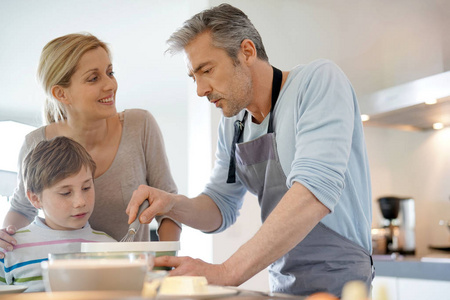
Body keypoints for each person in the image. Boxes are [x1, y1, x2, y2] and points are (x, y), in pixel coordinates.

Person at [126, 3, 373, 297]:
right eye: (194, 77)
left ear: (247, 51)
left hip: (341, 279)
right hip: (282, 280)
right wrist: (171, 204)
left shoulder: (318, 82)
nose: (200, 90)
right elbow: (220, 206)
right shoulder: (233, 126)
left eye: (207, 70)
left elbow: (313, 192)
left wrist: (226, 271)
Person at [0, 33, 181, 257]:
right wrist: (5, 239)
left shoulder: (140, 125)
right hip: (63, 278)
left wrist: (167, 261)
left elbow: (168, 205)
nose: (110, 85)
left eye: (110, 73)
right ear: (61, 93)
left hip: (131, 277)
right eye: (93, 78)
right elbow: (21, 208)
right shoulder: (36, 143)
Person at [0, 137, 117, 292]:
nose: (80, 202)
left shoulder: (112, 248)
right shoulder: (9, 249)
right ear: (35, 199)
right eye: (66, 193)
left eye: (86, 188)